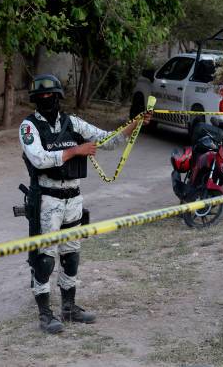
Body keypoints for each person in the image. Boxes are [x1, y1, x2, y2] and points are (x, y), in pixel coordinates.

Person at [20, 74, 151, 334]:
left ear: (58, 97)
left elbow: (107, 140)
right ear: (35, 100)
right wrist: (75, 151)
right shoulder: (28, 127)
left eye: (51, 96)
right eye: (41, 97)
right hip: (47, 198)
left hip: (73, 197)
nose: (47, 100)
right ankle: (45, 314)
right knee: (44, 258)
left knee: (71, 254)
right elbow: (39, 159)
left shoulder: (73, 123)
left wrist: (133, 126)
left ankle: (68, 307)